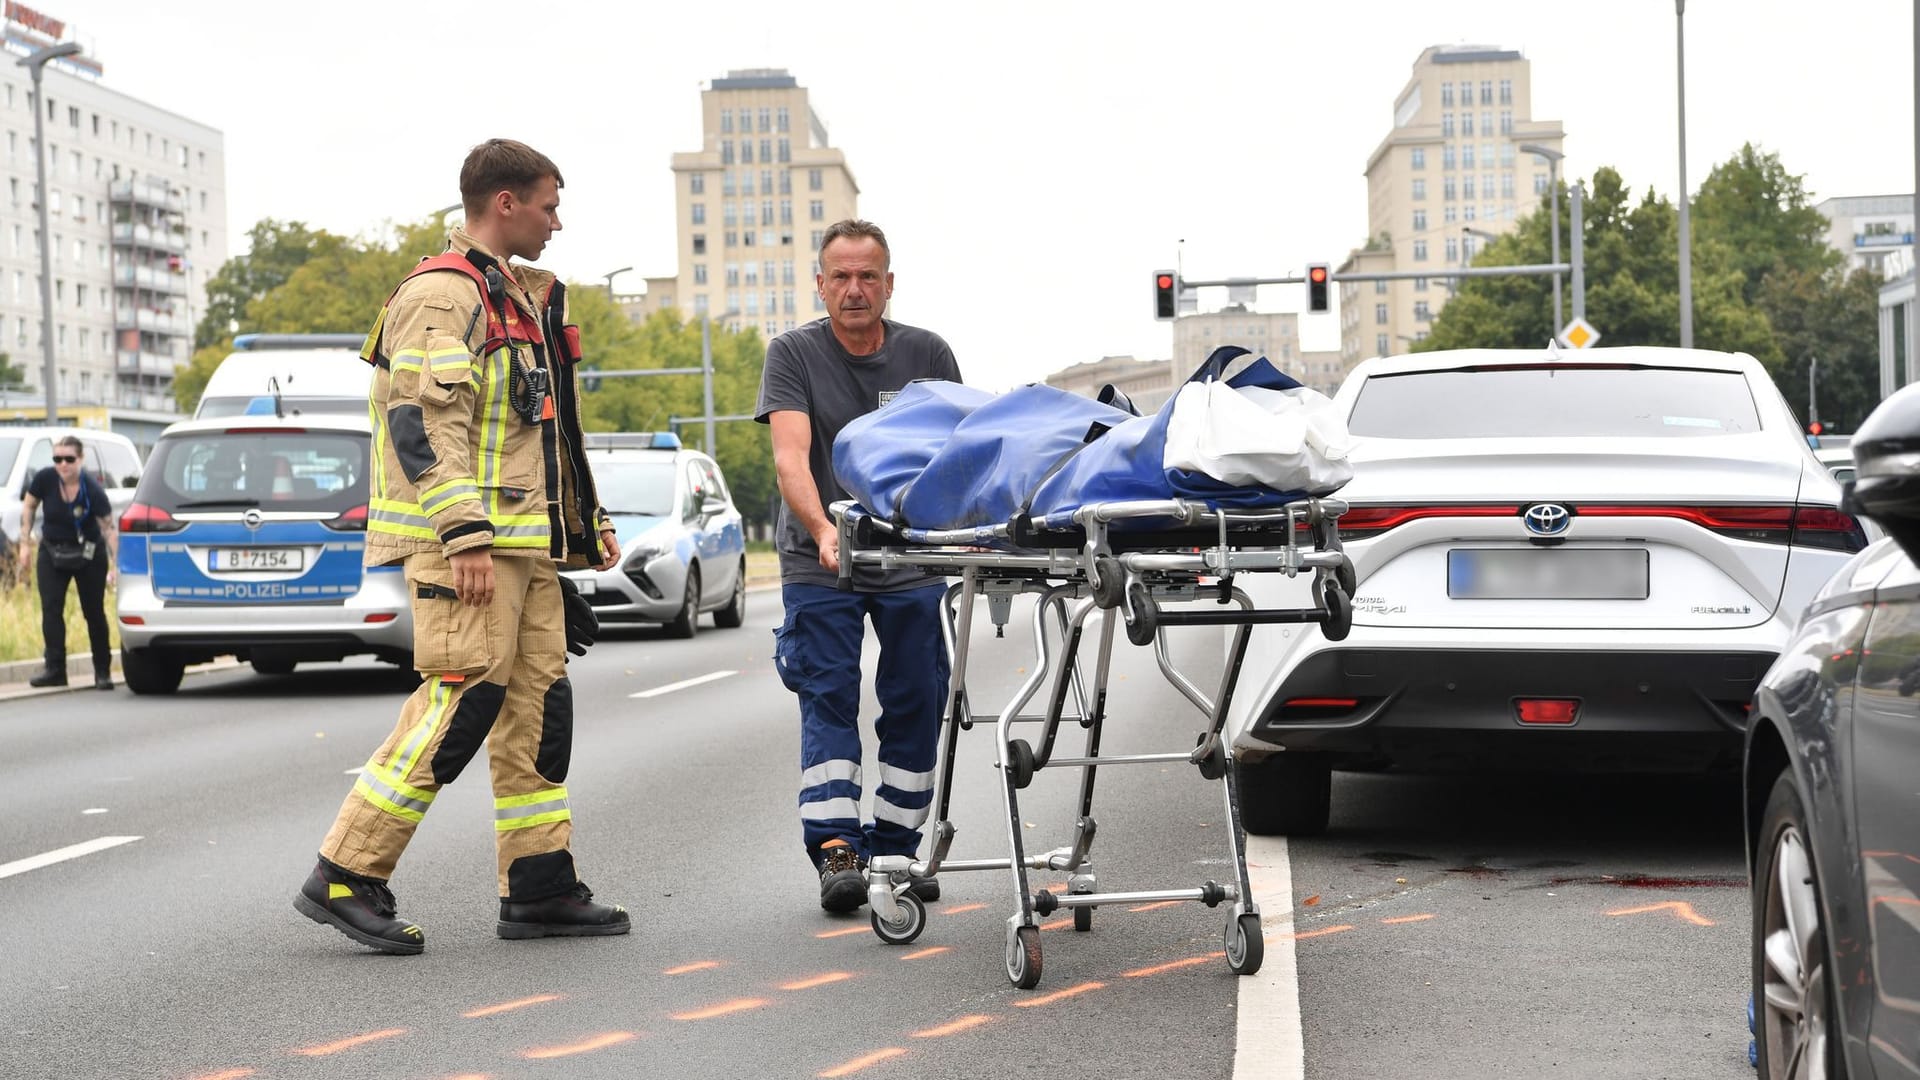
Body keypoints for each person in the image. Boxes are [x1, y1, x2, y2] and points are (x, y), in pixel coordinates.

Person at [294, 139, 628, 954]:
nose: (558, 219)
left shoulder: (517, 295)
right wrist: (465, 533)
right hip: (467, 548)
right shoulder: (445, 294)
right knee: (458, 704)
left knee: (538, 713)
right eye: (549, 203)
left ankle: (539, 885)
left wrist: (585, 526)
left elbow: (533, 434)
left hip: (521, 547)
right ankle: (345, 872)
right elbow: (421, 422)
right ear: (504, 202)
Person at [755, 219, 962, 912]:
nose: (853, 289)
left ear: (888, 284)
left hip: (908, 558)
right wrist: (821, 529)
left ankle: (899, 848)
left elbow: (951, 454)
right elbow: (791, 455)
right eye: (839, 276)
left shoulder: (927, 353)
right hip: (822, 561)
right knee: (829, 695)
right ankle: (837, 850)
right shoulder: (792, 354)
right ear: (820, 283)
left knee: (916, 697)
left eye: (867, 276)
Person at [16, 435, 116, 690]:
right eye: (57, 459)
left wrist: (116, 566)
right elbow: (29, 505)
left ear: (80, 459)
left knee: (93, 611)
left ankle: (102, 671)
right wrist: (25, 544)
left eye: (69, 459)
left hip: (88, 554)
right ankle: (55, 668)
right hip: (52, 551)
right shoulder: (45, 479)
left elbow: (108, 529)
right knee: (51, 609)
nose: (63, 464)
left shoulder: (92, 489)